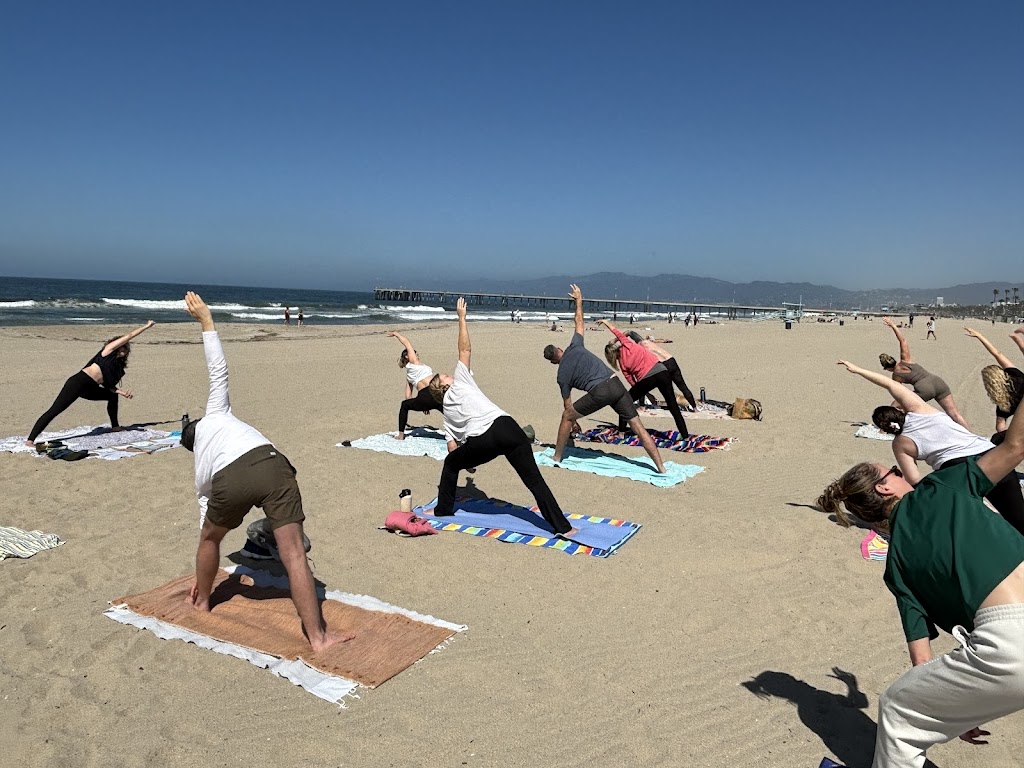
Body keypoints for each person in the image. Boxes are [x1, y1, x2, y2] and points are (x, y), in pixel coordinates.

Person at [817, 375, 1024, 768]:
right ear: (884, 488)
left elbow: (922, 659)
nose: (901, 473)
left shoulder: (896, 564)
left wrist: (951, 705)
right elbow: (1015, 445)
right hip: (1012, 635)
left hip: (1011, 645)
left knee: (898, 708)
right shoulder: (944, 486)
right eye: (894, 473)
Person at [179, 292, 352, 652]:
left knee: (210, 539)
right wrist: (207, 321)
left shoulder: (200, 465)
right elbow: (218, 369)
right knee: (294, 554)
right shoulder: (217, 413)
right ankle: (318, 637)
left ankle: (202, 601)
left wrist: (201, 576)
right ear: (197, 424)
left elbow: (205, 516)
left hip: (232, 477)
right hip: (274, 462)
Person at [428, 298, 582, 540]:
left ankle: (443, 509)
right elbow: (465, 349)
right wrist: (461, 318)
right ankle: (564, 527)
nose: (450, 374)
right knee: (534, 481)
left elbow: (453, 449)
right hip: (508, 427)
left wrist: (467, 462)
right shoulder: (461, 382)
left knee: (450, 464)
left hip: (485, 440)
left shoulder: (447, 413)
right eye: (446, 375)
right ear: (443, 386)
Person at [840, 359, 1024, 536]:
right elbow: (890, 384)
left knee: (975, 521)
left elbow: (914, 480)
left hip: (958, 473)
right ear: (899, 410)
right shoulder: (919, 410)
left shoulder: (900, 444)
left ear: (883, 430)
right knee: (1017, 516)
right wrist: (858, 370)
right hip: (992, 455)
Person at [543, 285, 666, 472]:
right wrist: (579, 300)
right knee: (638, 427)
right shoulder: (575, 345)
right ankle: (661, 467)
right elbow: (579, 321)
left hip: (601, 391)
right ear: (560, 349)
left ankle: (557, 456)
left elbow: (568, 406)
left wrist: (574, 422)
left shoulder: (561, 375)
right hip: (616, 383)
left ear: (553, 362)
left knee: (566, 416)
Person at [26, 320, 155, 446]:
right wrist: (147, 326)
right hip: (78, 382)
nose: (125, 348)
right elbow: (129, 336)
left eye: (126, 347)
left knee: (112, 396)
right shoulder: (107, 351)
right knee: (55, 410)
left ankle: (115, 427)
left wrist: (122, 392)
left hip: (90, 388)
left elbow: (108, 386)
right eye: (123, 345)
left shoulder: (117, 367)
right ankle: (30, 440)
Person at [599, 320, 690, 437]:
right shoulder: (627, 343)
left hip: (648, 378)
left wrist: (645, 394)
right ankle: (685, 436)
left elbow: (633, 383)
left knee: (624, 402)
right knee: (673, 405)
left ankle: (621, 432)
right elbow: (616, 332)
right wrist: (606, 322)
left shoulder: (622, 364)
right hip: (662, 371)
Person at [879, 317, 969, 429]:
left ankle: (892, 427)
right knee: (954, 413)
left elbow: (900, 393)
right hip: (938, 382)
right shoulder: (906, 360)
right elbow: (903, 340)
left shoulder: (896, 376)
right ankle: (971, 434)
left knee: (895, 405)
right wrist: (893, 325)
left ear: (886, 368)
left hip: (924, 389)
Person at [965, 326, 1024, 439]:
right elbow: (997, 353)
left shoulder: (1003, 403)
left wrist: (1009, 435)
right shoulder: (1015, 375)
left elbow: (1000, 426)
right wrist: (979, 336)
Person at [388, 331, 442, 440]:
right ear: (407, 356)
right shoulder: (414, 362)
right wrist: (397, 334)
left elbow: (408, 397)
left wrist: (423, 405)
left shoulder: (409, 376)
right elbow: (406, 343)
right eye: (413, 352)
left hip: (424, 396)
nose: (416, 354)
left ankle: (401, 435)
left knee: (404, 405)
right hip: (435, 392)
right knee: (449, 411)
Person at [626, 331, 697, 411]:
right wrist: (624, 335)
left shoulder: (639, 349)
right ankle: (695, 408)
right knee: (683, 386)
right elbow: (630, 332)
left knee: (642, 385)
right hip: (671, 360)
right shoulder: (647, 342)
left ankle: (642, 406)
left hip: (661, 365)